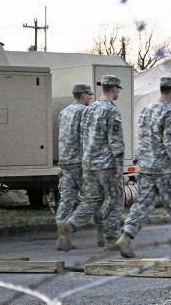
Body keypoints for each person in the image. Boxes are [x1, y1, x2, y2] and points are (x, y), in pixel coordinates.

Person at [116, 76, 171, 258]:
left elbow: (141, 138)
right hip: (164, 169)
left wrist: (139, 161)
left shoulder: (146, 110)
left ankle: (126, 237)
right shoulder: (169, 113)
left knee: (143, 203)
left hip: (146, 167)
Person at [56, 75, 125, 252]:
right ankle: (109, 238)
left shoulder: (85, 110)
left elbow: (83, 136)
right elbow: (115, 139)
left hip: (82, 162)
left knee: (89, 199)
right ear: (114, 89)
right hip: (104, 163)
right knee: (114, 199)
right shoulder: (110, 110)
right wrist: (119, 163)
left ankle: (68, 225)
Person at [55, 83, 94, 251]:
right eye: (89, 95)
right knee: (95, 196)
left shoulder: (64, 112)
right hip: (80, 161)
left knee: (66, 199)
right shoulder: (84, 112)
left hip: (65, 161)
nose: (91, 98)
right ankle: (105, 235)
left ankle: (62, 236)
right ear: (84, 95)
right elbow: (89, 136)